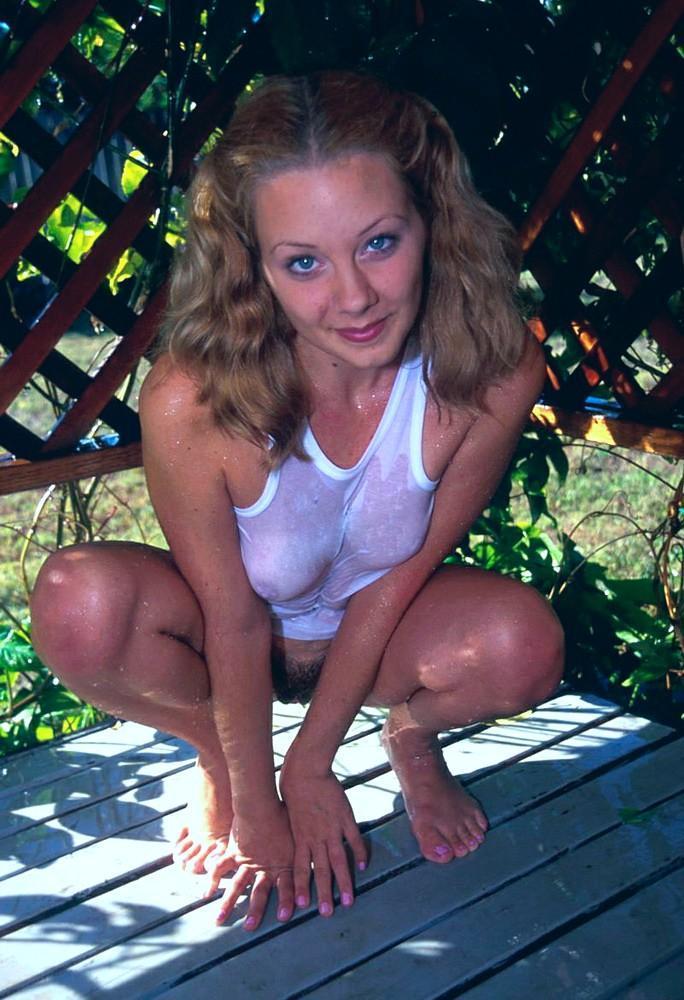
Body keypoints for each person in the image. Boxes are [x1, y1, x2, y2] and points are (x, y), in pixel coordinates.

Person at [30, 71, 564, 932]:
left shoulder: (496, 371)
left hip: (380, 631)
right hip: (228, 642)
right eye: (304, 262)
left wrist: (311, 766)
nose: (352, 297)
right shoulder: (192, 399)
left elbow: (398, 579)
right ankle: (211, 750)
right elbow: (233, 618)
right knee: (77, 603)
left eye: (380, 242)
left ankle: (408, 735)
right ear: (254, 266)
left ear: (431, 218)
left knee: (524, 646)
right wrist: (255, 800)